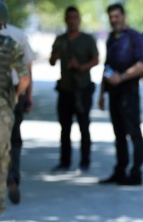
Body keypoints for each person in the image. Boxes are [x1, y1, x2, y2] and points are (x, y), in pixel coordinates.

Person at [0, 0, 30, 222]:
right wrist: (15, 98)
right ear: (2, 20)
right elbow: (24, 79)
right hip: (2, 117)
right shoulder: (11, 45)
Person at [98, 3, 143, 186]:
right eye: (111, 17)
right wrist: (101, 94)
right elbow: (107, 66)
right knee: (118, 134)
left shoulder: (134, 37)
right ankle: (120, 170)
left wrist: (123, 76)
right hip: (113, 93)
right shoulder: (112, 38)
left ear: (124, 16)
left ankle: (135, 173)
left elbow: (142, 64)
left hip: (129, 91)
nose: (114, 20)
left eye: (117, 16)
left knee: (134, 133)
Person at [49, 6, 98, 173]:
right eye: (69, 18)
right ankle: (65, 162)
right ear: (65, 20)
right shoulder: (61, 39)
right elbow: (52, 60)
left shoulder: (87, 39)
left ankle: (85, 162)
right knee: (65, 128)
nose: (72, 21)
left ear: (79, 20)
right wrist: (55, 55)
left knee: (84, 127)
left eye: (75, 18)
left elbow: (96, 59)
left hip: (83, 89)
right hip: (65, 89)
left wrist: (81, 67)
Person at [0, 21, 35, 205]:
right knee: (13, 139)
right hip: (14, 92)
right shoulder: (17, 36)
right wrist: (24, 96)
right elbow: (27, 72)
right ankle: (12, 176)